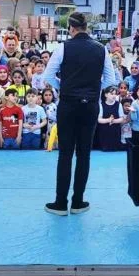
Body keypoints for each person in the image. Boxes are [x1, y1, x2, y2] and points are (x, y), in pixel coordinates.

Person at [43, 12, 116, 216]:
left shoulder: (63, 47)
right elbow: (111, 79)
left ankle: (60, 203)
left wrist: (63, 86)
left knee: (65, 154)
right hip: (90, 105)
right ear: (86, 27)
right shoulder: (101, 49)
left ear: (71, 28)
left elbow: (48, 75)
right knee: (84, 155)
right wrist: (94, 88)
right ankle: (78, 202)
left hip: (68, 104)